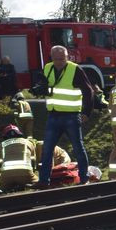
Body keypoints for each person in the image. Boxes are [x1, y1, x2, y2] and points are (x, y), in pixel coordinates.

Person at [34, 45, 94, 188]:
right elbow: (47, 86)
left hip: (71, 116)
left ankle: (84, 178)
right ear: (52, 58)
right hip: (53, 115)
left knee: (78, 147)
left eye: (62, 59)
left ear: (67, 57)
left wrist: (86, 112)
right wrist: (40, 88)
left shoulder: (75, 69)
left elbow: (89, 91)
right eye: (56, 59)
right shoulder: (47, 68)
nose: (60, 62)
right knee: (47, 150)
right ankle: (43, 181)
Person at [0, 124, 38, 190]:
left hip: (6, 175)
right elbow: (33, 162)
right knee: (38, 184)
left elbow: (0, 165)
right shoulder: (29, 143)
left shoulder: (0, 146)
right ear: (19, 134)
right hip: (26, 173)